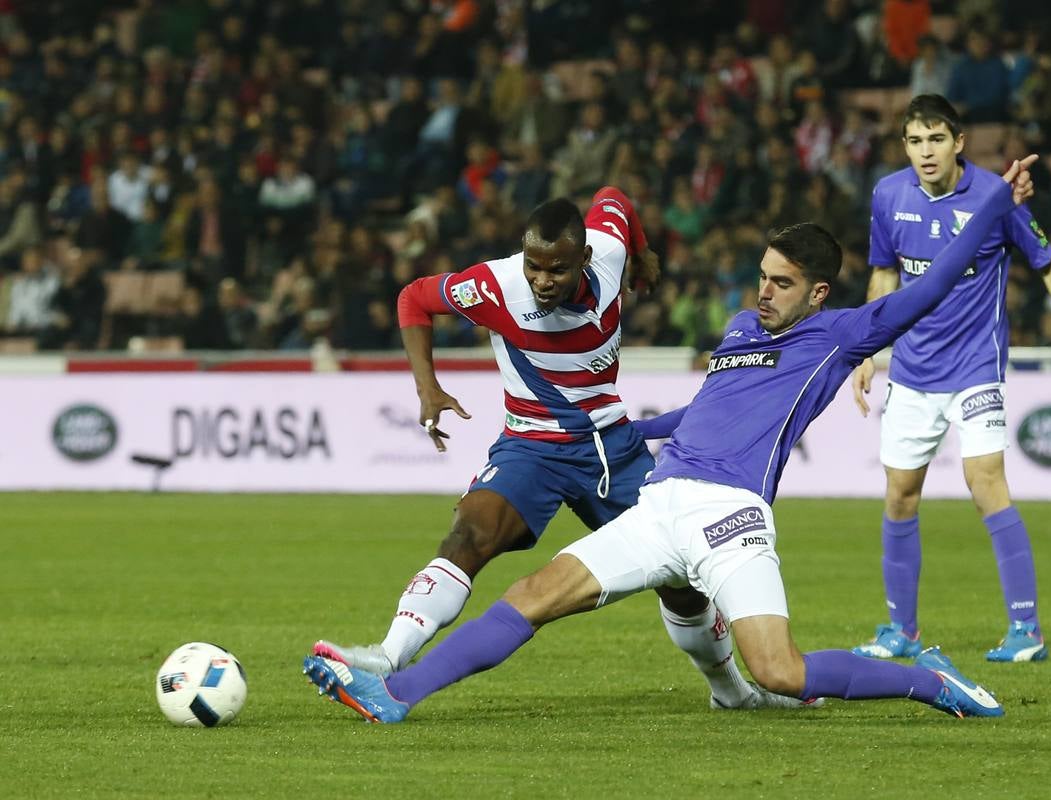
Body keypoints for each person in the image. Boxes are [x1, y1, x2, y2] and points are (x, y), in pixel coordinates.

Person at [299, 155, 1042, 725]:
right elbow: (706, 411)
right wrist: (638, 429)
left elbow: (935, 283)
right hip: (661, 501)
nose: (763, 292)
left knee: (780, 672)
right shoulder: (743, 329)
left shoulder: (843, 334)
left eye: (782, 283)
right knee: (532, 594)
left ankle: (929, 678)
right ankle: (395, 693)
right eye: (762, 277)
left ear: (818, 293)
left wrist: (994, 211)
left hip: (731, 519)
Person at [313, 186, 807, 711]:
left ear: (586, 258)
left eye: (556, 270)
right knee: (469, 535)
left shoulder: (612, 251)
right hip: (531, 448)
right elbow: (414, 298)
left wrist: (641, 256)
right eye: (534, 267)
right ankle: (386, 659)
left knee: (684, 580)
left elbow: (614, 198)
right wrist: (426, 387)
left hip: (612, 448)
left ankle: (729, 693)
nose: (542, 282)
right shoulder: (494, 285)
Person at [849, 95, 1051, 665]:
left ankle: (1027, 630)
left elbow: (1047, 263)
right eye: (915, 141)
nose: (925, 152)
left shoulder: (996, 197)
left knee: (984, 481)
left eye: (936, 139)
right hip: (913, 372)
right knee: (899, 495)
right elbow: (884, 271)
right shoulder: (888, 195)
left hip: (975, 366)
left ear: (959, 142)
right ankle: (901, 631)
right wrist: (868, 350)